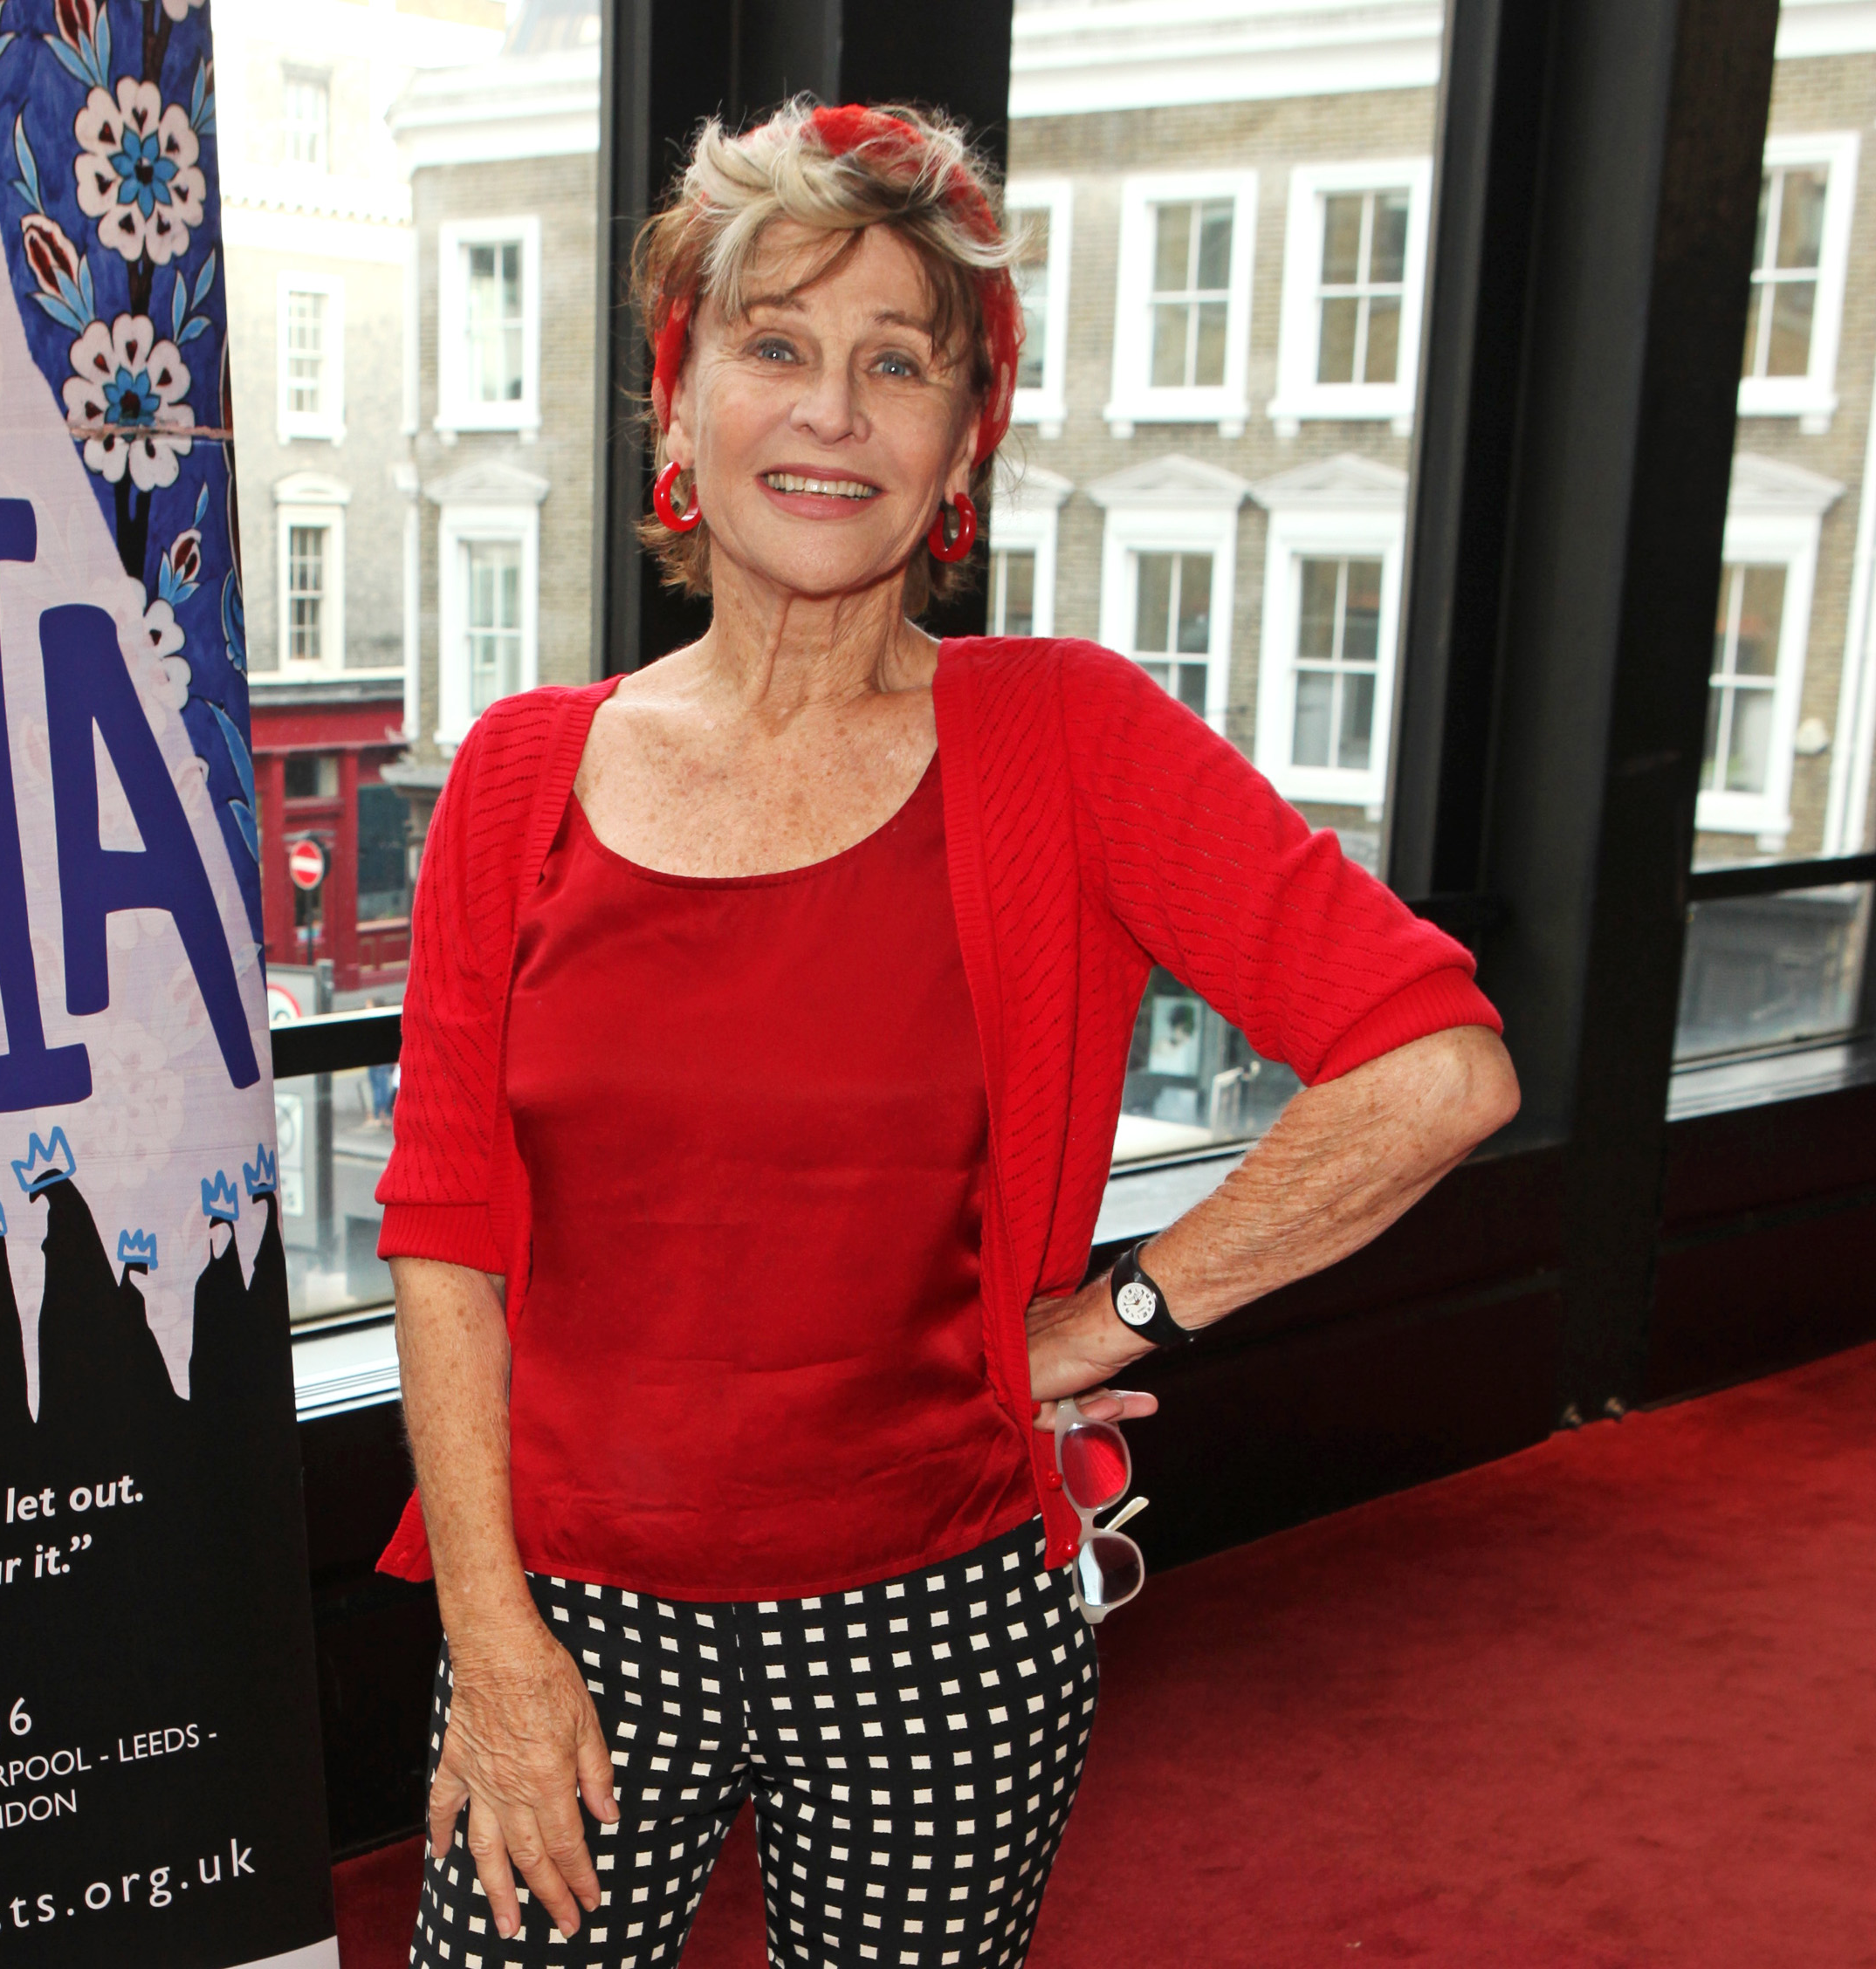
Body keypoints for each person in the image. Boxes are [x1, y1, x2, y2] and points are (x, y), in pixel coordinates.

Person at [375, 99, 1520, 1969]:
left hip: (941, 1614)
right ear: (678, 411)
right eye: (776, 348)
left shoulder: (1063, 739)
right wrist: (491, 1641)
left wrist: (1121, 1313)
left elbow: (1438, 1068)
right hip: (570, 1605)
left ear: (960, 441)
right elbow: (441, 1236)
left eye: (897, 363)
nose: (832, 412)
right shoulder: (518, 775)